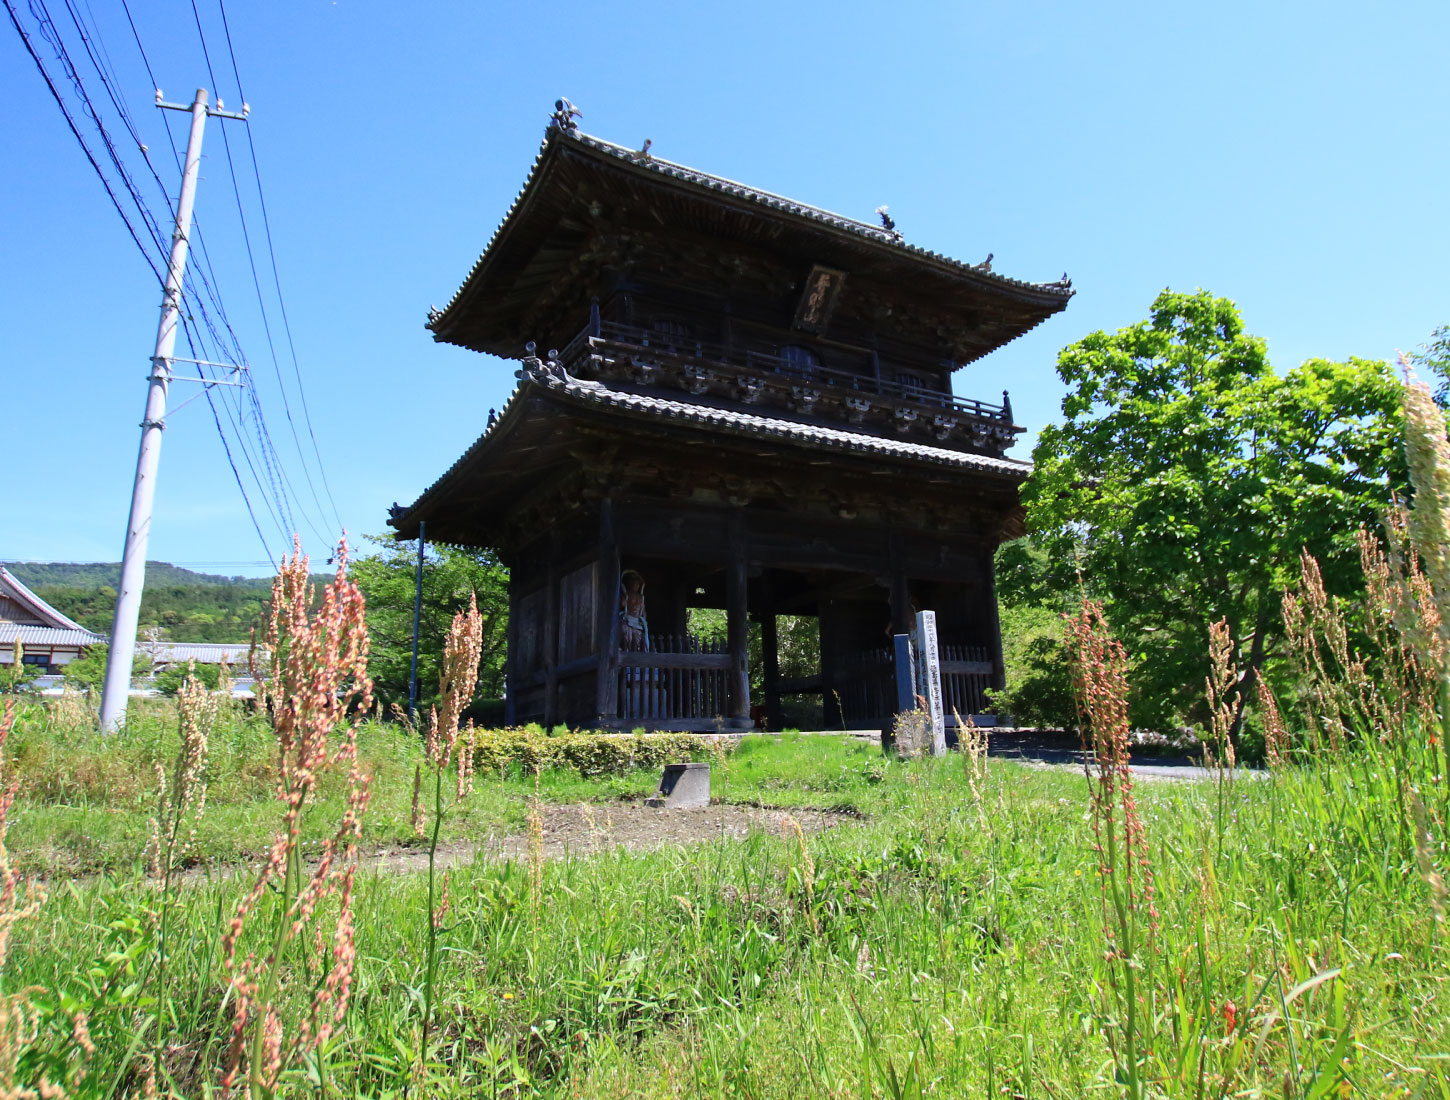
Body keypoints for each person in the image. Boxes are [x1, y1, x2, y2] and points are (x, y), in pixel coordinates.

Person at [618, 569, 649, 651]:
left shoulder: (641, 597)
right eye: (634, 582)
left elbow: (643, 611)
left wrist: (644, 620)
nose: (636, 585)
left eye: (637, 583)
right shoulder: (626, 594)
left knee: (638, 640)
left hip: (638, 622)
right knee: (627, 639)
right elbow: (622, 604)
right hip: (627, 619)